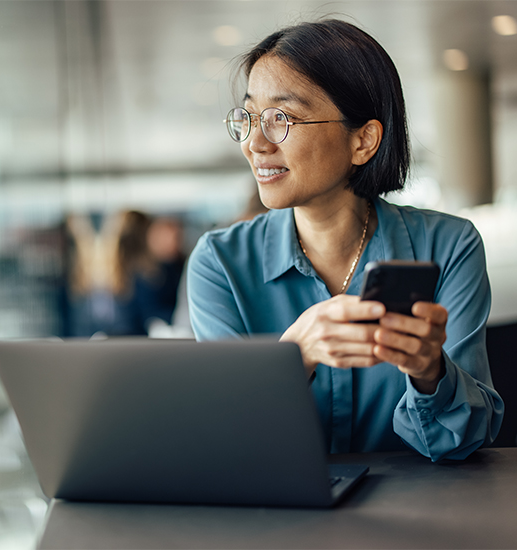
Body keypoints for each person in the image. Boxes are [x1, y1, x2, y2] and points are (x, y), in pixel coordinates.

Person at [186, 18, 504, 462]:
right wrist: (294, 358)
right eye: (250, 116)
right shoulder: (219, 262)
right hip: (281, 522)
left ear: (363, 140)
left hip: (421, 520)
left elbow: (469, 439)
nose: (254, 144)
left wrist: (430, 372)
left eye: (281, 118)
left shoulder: (449, 246)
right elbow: (226, 443)